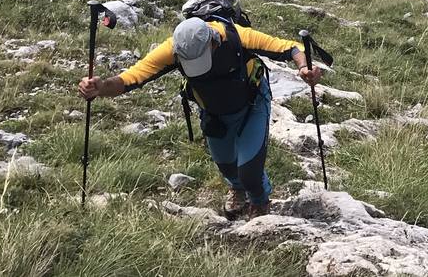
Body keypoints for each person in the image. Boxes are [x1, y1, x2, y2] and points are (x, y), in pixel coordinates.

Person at [78, 16, 320, 219]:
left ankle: (260, 203)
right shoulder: (172, 49)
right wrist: (100, 87)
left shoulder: (236, 36)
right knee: (225, 164)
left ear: (213, 42)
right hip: (213, 112)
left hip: (252, 106)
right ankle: (237, 190)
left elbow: (289, 47)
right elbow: (130, 79)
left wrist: (303, 67)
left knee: (249, 170)